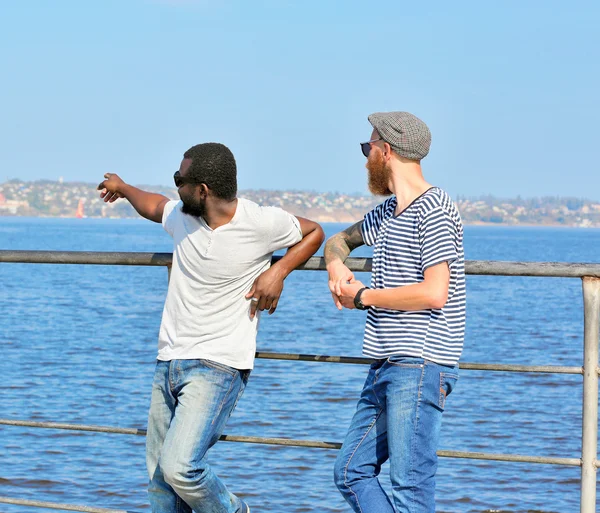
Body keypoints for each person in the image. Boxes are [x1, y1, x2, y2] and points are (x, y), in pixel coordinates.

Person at [98, 142, 324, 513]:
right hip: (168, 361)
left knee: (180, 468)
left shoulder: (261, 222)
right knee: (159, 481)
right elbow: (153, 204)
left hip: (218, 366)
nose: (175, 187)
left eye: (179, 180)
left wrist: (278, 271)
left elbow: (314, 232)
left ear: (202, 189)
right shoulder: (183, 217)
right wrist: (123, 189)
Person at [324, 112, 466, 513]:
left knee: (410, 489)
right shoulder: (386, 214)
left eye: (366, 147)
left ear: (385, 151)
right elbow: (337, 241)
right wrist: (337, 266)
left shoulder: (434, 209)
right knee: (350, 471)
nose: (364, 155)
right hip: (386, 363)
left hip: (420, 365)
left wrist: (365, 296)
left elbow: (435, 292)